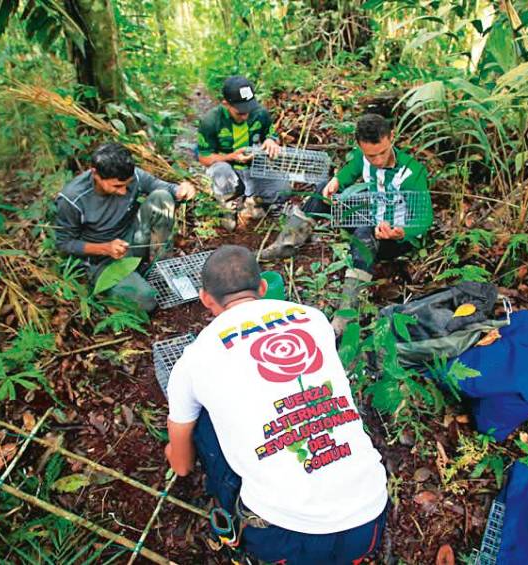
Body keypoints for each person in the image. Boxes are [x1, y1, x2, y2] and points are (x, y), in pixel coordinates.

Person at [164, 245, 389, 565]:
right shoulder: (313, 319)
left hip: (285, 534)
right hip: (368, 518)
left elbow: (182, 466)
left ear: (204, 299)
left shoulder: (194, 359)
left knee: (201, 421)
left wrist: (174, 453)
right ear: (263, 288)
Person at [260, 113, 433, 334]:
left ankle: (346, 314)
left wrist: (401, 233)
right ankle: (285, 245)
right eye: (371, 156)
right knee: (323, 190)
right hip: (371, 216)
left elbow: (425, 218)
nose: (378, 160)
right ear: (360, 146)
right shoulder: (363, 158)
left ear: (392, 137)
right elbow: (349, 172)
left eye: (382, 152)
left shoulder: (412, 173)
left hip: (396, 238)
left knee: (364, 233)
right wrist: (336, 182)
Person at [55, 142, 195, 311]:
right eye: (117, 186)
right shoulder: (73, 199)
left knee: (162, 197)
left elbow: (164, 188)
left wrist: (180, 190)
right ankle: (126, 282)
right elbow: (65, 244)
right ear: (95, 174)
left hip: (133, 239)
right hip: (104, 259)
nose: (123, 192)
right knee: (147, 302)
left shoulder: (132, 176)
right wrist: (105, 248)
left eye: (127, 185)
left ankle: (159, 266)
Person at [197, 76, 289, 228]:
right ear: (226, 104)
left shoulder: (260, 113)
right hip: (228, 171)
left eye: (248, 109)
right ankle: (228, 205)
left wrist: (271, 141)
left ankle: (255, 202)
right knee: (221, 171)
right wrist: (231, 157)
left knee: (283, 189)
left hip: (254, 169)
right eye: (240, 112)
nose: (246, 115)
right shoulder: (211, 120)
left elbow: (272, 135)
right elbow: (204, 158)